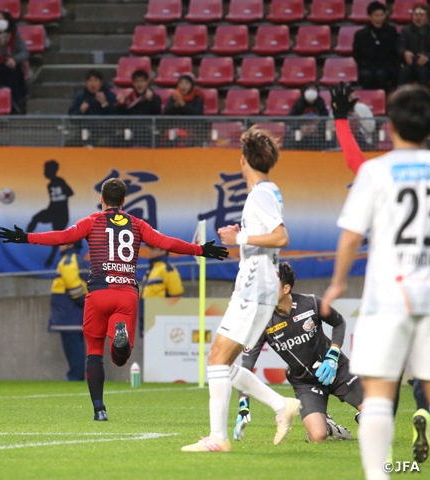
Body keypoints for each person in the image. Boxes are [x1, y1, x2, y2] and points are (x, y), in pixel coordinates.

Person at [0, 178, 229, 421]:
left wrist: (26, 237)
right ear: (124, 201)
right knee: (121, 359)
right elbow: (166, 242)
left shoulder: (91, 222)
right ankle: (120, 339)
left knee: (94, 352)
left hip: (98, 293)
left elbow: (63, 237)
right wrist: (201, 250)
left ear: (102, 199)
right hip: (126, 293)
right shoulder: (137, 224)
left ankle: (99, 409)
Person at [321, 84, 430, 478]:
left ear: (389, 124)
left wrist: (336, 284)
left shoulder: (377, 171)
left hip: (389, 296)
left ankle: (379, 475)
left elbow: (351, 234)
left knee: (380, 396)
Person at [181, 127, 301, 453]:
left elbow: (280, 237)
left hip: (254, 291)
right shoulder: (269, 191)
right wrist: (241, 237)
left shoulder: (261, 194)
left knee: (216, 359)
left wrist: (241, 238)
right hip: (255, 287)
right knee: (224, 364)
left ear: (243, 159)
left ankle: (218, 438)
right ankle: (281, 406)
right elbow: (266, 241)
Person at [234, 262, 361, 444]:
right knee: (318, 437)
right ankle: (329, 426)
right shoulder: (261, 321)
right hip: (305, 382)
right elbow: (246, 367)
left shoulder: (311, 303)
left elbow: (339, 323)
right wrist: (243, 405)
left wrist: (333, 355)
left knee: (377, 416)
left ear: (286, 288)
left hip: (336, 369)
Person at [49, 241, 87, 381]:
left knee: (73, 347)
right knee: (76, 345)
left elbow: (72, 283)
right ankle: (77, 375)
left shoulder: (68, 260)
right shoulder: (79, 259)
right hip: (74, 311)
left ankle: (75, 376)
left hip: (69, 311)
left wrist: (81, 300)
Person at [26, 160, 73, 268]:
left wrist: (61, 196)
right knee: (35, 218)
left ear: (52, 171)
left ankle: (51, 258)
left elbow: (70, 192)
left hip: (61, 214)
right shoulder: (50, 184)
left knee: (57, 237)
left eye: (46, 170)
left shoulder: (59, 181)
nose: (44, 172)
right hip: (52, 211)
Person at [352, 1, 399, 92]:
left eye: (381, 15)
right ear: (369, 16)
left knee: (381, 75)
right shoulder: (361, 34)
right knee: (367, 76)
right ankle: (367, 101)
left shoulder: (391, 31)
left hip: (387, 66)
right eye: (376, 15)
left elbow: (395, 52)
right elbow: (357, 54)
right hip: (367, 66)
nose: (379, 18)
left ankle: (384, 101)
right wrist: (368, 64)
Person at [139, 246, 184, 336]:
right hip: (148, 320)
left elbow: (176, 298)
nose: (149, 251)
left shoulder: (168, 269)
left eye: (152, 249)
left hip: (160, 322)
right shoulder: (152, 270)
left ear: (163, 251)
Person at [285, 82, 328, 150]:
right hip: (302, 128)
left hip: (316, 130)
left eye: (313, 89)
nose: (311, 91)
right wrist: (300, 127)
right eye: (309, 89)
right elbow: (291, 118)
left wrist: (317, 127)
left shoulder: (320, 101)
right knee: (289, 129)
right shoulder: (300, 101)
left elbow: (325, 118)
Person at [397, 4, 430, 87]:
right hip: (411, 64)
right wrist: (405, 52)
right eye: (416, 15)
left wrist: (427, 58)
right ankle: (402, 98)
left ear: (427, 18)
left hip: (427, 65)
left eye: (422, 15)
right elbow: (399, 46)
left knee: (423, 72)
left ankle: (424, 99)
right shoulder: (406, 30)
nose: (418, 18)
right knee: (403, 72)